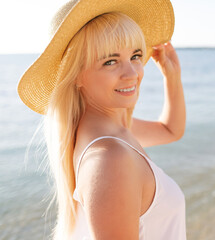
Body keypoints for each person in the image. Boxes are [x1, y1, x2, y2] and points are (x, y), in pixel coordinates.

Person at [17, 0, 186, 239]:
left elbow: (170, 130)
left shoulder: (110, 130)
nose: (133, 74)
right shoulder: (109, 158)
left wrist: (172, 75)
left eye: (135, 56)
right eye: (110, 61)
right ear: (75, 75)